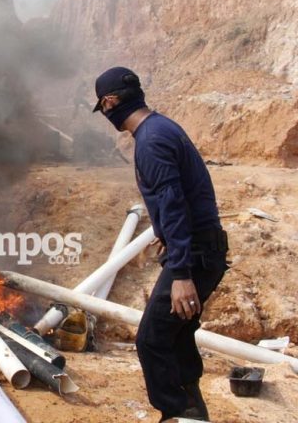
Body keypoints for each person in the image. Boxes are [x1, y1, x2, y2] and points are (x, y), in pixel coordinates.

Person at [93, 67, 228, 422]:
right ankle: (192, 413)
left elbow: (173, 204)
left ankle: (176, 413)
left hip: (195, 255)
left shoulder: (150, 142)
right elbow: (183, 196)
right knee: (177, 335)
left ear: (109, 102)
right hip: (203, 248)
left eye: (103, 106)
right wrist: (166, 236)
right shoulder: (162, 128)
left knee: (152, 339)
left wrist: (181, 272)